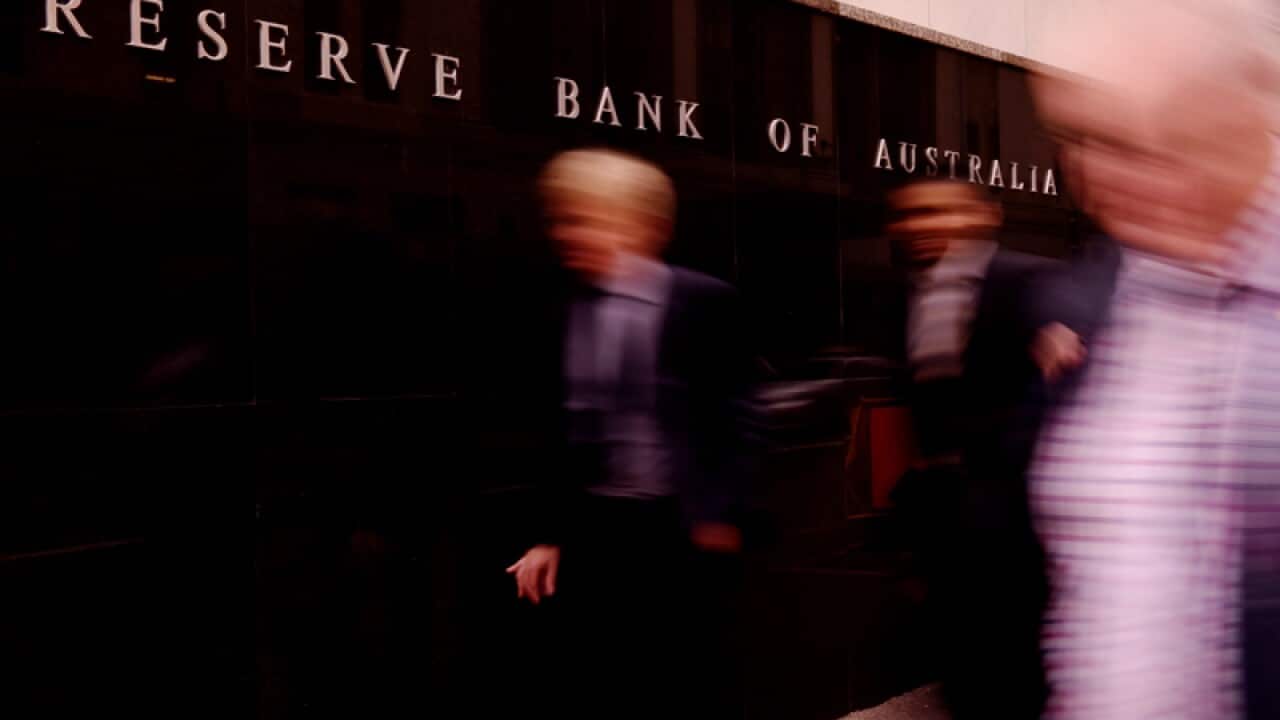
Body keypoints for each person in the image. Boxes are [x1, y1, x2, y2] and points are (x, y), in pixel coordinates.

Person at [1030, 1, 1280, 717]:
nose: (1092, 174)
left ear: (1236, 119)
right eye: (1077, 139)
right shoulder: (1097, 293)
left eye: (1136, 143)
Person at [505, 148, 754, 719]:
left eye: (588, 218)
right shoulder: (562, 307)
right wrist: (549, 535)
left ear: (644, 227)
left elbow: (734, 414)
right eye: (564, 218)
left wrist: (719, 513)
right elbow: (558, 429)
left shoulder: (702, 301)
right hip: (599, 527)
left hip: (680, 527)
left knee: (686, 677)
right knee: (603, 678)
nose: (570, 233)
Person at [885, 178, 1118, 719]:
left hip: (1016, 510)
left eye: (937, 212)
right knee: (963, 657)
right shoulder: (908, 294)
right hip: (945, 508)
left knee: (1018, 655)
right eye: (909, 215)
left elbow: (1072, 357)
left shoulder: (1030, 278)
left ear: (984, 216)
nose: (921, 225)